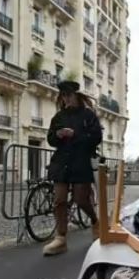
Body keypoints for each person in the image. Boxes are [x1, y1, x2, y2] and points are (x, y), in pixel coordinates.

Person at [43, 81, 102, 256]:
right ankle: (60, 239)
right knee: (59, 200)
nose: (66, 98)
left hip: (81, 161)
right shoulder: (58, 117)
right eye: (63, 95)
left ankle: (95, 220)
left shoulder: (88, 115)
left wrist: (75, 135)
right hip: (61, 162)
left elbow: (96, 137)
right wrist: (58, 135)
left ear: (76, 95)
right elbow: (50, 139)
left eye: (68, 95)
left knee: (81, 199)